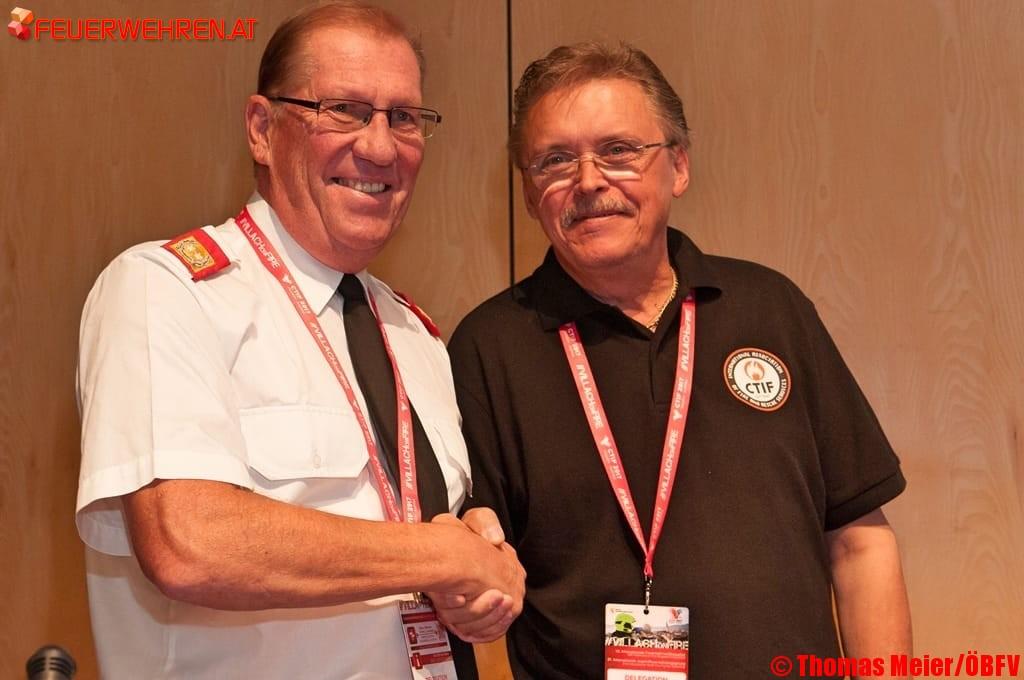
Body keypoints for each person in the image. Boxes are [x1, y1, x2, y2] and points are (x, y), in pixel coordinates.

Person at [75, 2, 523, 678]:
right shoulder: (168, 290)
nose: (380, 148)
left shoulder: (416, 335)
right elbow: (188, 541)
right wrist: (438, 557)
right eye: (344, 110)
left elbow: (413, 551)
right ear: (263, 129)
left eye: (404, 117)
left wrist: (475, 573)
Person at [447, 42, 912, 678]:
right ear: (530, 194)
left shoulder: (771, 308)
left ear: (680, 166)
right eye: (555, 160)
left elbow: (860, 542)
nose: (589, 181)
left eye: (618, 150)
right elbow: (474, 559)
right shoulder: (487, 348)